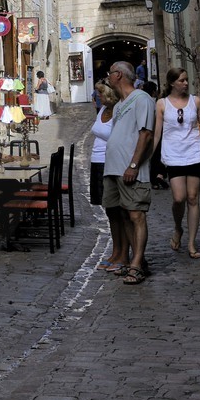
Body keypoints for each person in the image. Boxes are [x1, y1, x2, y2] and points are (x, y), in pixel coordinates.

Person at [102, 61, 156, 283]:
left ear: (118, 75)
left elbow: (146, 135)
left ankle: (136, 264)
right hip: (113, 168)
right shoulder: (118, 105)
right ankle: (137, 260)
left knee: (136, 215)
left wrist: (133, 165)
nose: (107, 77)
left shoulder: (141, 99)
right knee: (122, 213)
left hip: (130, 168)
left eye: (109, 72)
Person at [154, 68, 200, 259]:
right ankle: (178, 228)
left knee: (193, 198)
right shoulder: (161, 104)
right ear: (172, 83)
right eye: (182, 80)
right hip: (174, 155)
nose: (186, 83)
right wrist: (148, 158)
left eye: (186, 80)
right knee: (179, 198)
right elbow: (157, 133)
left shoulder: (196, 101)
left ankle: (192, 243)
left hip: (195, 153)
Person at [90, 81, 127, 273]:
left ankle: (123, 252)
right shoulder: (103, 109)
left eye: (101, 93)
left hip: (111, 161)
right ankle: (115, 250)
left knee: (118, 210)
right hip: (97, 161)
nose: (98, 96)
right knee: (109, 210)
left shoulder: (119, 111)